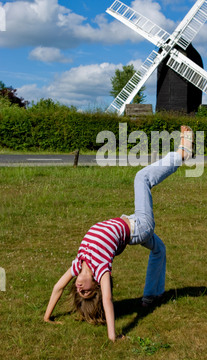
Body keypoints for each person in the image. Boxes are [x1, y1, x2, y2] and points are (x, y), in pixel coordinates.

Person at [44, 126, 194, 342]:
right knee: (141, 178)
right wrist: (113, 336)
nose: (79, 289)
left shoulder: (79, 264)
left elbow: (58, 287)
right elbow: (107, 299)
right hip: (139, 226)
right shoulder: (101, 268)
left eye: (79, 292)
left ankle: (151, 296)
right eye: (86, 292)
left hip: (130, 224)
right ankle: (183, 153)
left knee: (159, 250)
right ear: (94, 284)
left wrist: (47, 317)